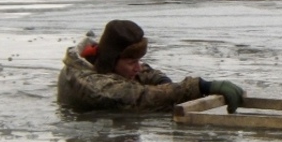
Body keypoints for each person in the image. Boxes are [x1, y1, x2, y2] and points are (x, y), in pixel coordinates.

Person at [57, 19, 245, 114]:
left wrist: (165, 83)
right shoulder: (93, 85)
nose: (138, 68)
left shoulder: (105, 62)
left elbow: (145, 72)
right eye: (132, 62)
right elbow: (138, 96)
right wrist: (202, 86)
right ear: (112, 60)